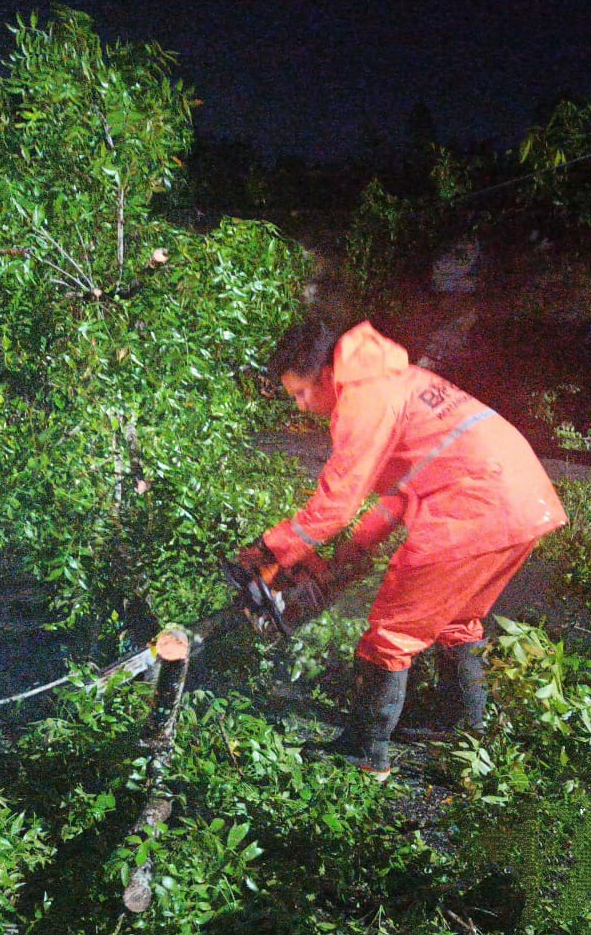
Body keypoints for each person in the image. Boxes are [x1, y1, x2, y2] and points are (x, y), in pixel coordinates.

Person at [239, 317, 567, 781]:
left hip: (474, 509)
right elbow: (406, 488)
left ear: (326, 376)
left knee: (392, 630)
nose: (300, 406)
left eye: (300, 394)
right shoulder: (394, 379)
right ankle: (466, 732)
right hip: (523, 502)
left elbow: (335, 505)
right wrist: (355, 547)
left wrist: (269, 550)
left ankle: (365, 752)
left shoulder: (364, 400)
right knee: (457, 620)